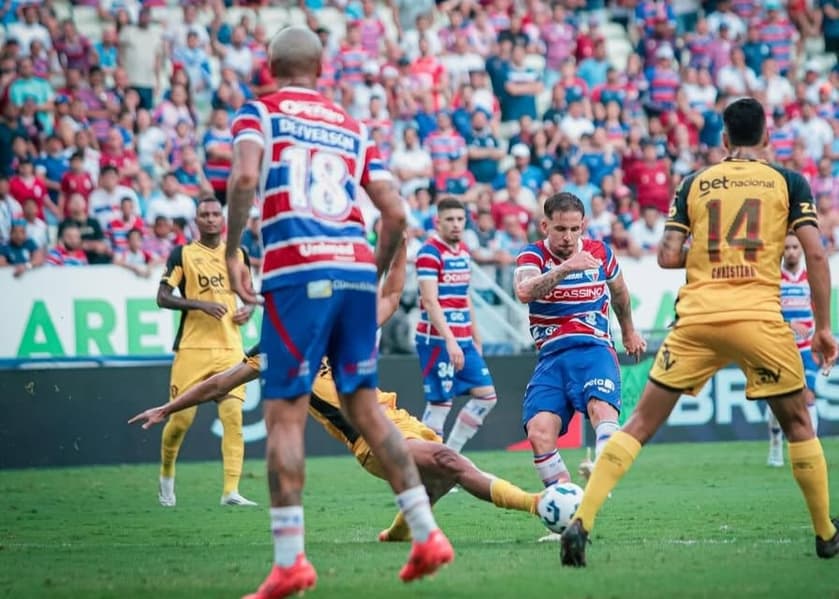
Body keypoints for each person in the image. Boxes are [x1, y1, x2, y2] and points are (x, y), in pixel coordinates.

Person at [223, 26, 453, 599]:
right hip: (353, 269)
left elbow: (246, 177)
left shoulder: (260, 113)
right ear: (322, 69)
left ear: (271, 65)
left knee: (285, 417)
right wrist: (366, 272)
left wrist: (232, 250)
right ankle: (426, 534)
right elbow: (395, 215)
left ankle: (289, 561)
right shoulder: (353, 127)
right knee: (368, 412)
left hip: (296, 273)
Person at [560, 97, 839, 567]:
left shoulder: (696, 182)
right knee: (797, 424)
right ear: (767, 138)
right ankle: (826, 533)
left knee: (641, 424)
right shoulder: (789, 182)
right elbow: (813, 254)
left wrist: (716, 255)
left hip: (697, 319)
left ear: (724, 141)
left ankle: (582, 520)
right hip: (759, 321)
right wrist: (824, 326)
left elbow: (667, 256)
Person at [129, 245, 540, 543]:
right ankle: (538, 505)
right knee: (448, 461)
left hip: (399, 419)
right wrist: (169, 406)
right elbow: (220, 383)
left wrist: (399, 246)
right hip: (368, 440)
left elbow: (392, 298)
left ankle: (398, 533)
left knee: (443, 477)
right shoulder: (276, 351)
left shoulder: (345, 331)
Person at [514, 192, 646, 491]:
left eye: (575, 229)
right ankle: (565, 501)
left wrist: (628, 331)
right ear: (545, 226)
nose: (568, 237)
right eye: (560, 229)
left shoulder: (599, 252)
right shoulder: (532, 255)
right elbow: (524, 292)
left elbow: (620, 293)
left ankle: (600, 482)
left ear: (583, 225)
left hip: (594, 349)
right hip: (552, 357)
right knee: (538, 433)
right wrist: (566, 267)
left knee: (602, 410)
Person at [156, 197, 256, 509]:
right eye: (205, 215)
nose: (211, 219)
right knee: (181, 421)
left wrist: (249, 309)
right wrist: (200, 303)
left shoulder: (239, 255)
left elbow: (250, 295)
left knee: (233, 417)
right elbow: (162, 297)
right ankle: (167, 477)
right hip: (193, 348)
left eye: (216, 214)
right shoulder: (182, 254)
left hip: (230, 347)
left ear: (223, 220)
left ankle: (231, 491)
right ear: (196, 221)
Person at [414, 197, 498, 454]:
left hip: (463, 339)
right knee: (440, 405)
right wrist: (450, 339)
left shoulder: (463, 252)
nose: (456, 225)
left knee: (487, 396)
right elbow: (429, 301)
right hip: (437, 340)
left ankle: (451, 457)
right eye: (449, 219)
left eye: (460, 219)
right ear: (438, 222)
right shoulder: (429, 253)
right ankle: (431, 467)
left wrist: (476, 335)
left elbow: (464, 295)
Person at [768, 232, 822, 467]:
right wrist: (789, 324)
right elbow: (767, 313)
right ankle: (775, 443)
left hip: (806, 348)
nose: (791, 251)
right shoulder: (774, 280)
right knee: (779, 402)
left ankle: (812, 449)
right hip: (781, 347)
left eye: (795, 247)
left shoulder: (810, 277)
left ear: (801, 250)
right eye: (787, 247)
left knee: (809, 396)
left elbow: (820, 309)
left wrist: (820, 337)